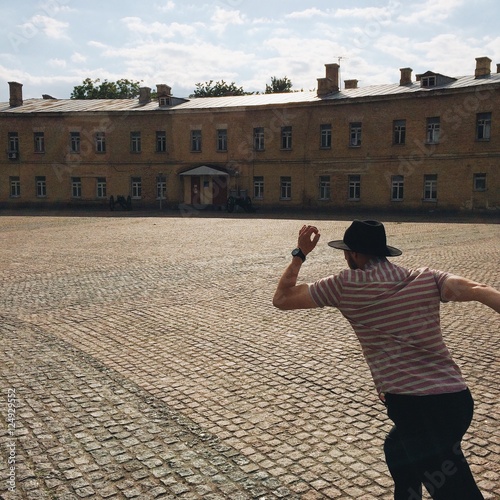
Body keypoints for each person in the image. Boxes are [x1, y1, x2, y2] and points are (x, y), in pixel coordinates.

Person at [273, 220, 500, 500]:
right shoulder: (426, 277)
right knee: (398, 450)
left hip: (417, 408)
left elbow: (282, 298)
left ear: (354, 254)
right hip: (457, 402)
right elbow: (478, 290)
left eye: (347, 252)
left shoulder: (345, 284)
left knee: (454, 492)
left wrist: (300, 253)